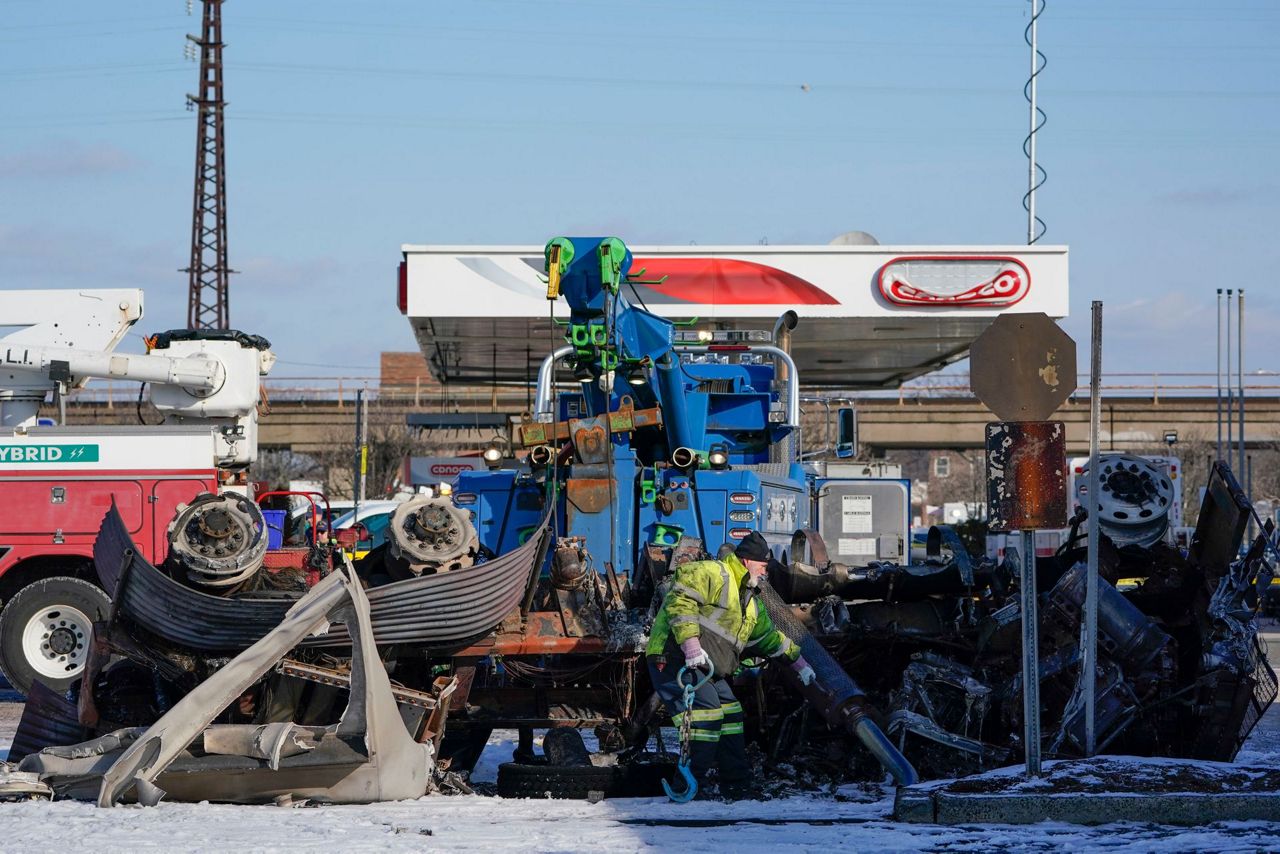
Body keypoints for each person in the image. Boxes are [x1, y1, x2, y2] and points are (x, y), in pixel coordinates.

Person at [646, 530, 816, 799]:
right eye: (763, 565)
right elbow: (681, 600)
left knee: (731, 715)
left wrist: (800, 665)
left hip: (706, 667)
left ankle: (737, 785)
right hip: (674, 657)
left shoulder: (750, 602)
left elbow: (770, 639)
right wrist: (690, 645)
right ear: (747, 561)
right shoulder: (715, 573)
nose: (765, 571)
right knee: (706, 716)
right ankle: (687, 788)